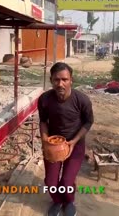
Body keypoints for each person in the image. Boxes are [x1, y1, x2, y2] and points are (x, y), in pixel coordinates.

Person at [38, 62, 94, 216]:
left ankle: (69, 201)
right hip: (53, 146)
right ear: (51, 80)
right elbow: (43, 121)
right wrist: (44, 140)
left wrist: (74, 141)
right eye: (56, 80)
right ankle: (57, 201)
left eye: (64, 79)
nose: (60, 84)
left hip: (75, 145)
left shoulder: (82, 100)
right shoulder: (44, 99)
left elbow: (89, 122)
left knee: (67, 182)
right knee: (50, 182)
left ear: (71, 80)